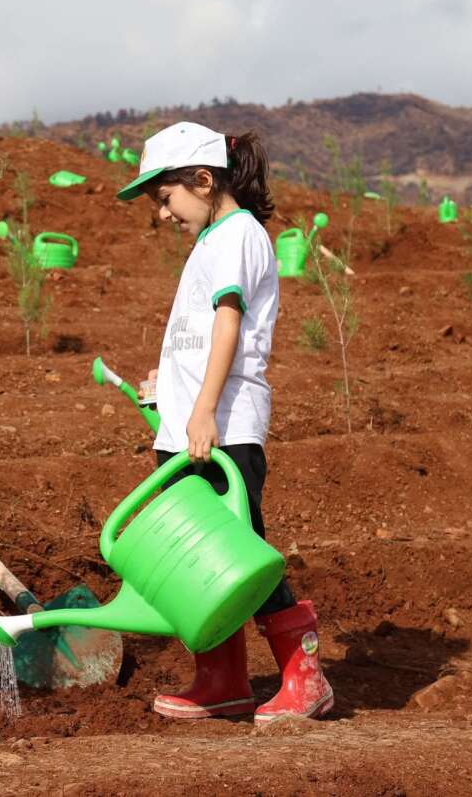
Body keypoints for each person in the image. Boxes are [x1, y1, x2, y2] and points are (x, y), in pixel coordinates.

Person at [116, 121, 334, 724]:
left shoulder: (238, 235)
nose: (163, 214)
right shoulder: (211, 241)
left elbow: (230, 325)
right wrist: (170, 391)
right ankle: (224, 680)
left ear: (204, 180)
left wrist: (206, 410)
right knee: (199, 559)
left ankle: (304, 676)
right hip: (193, 427)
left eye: (166, 198)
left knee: (241, 553)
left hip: (224, 427)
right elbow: (199, 336)